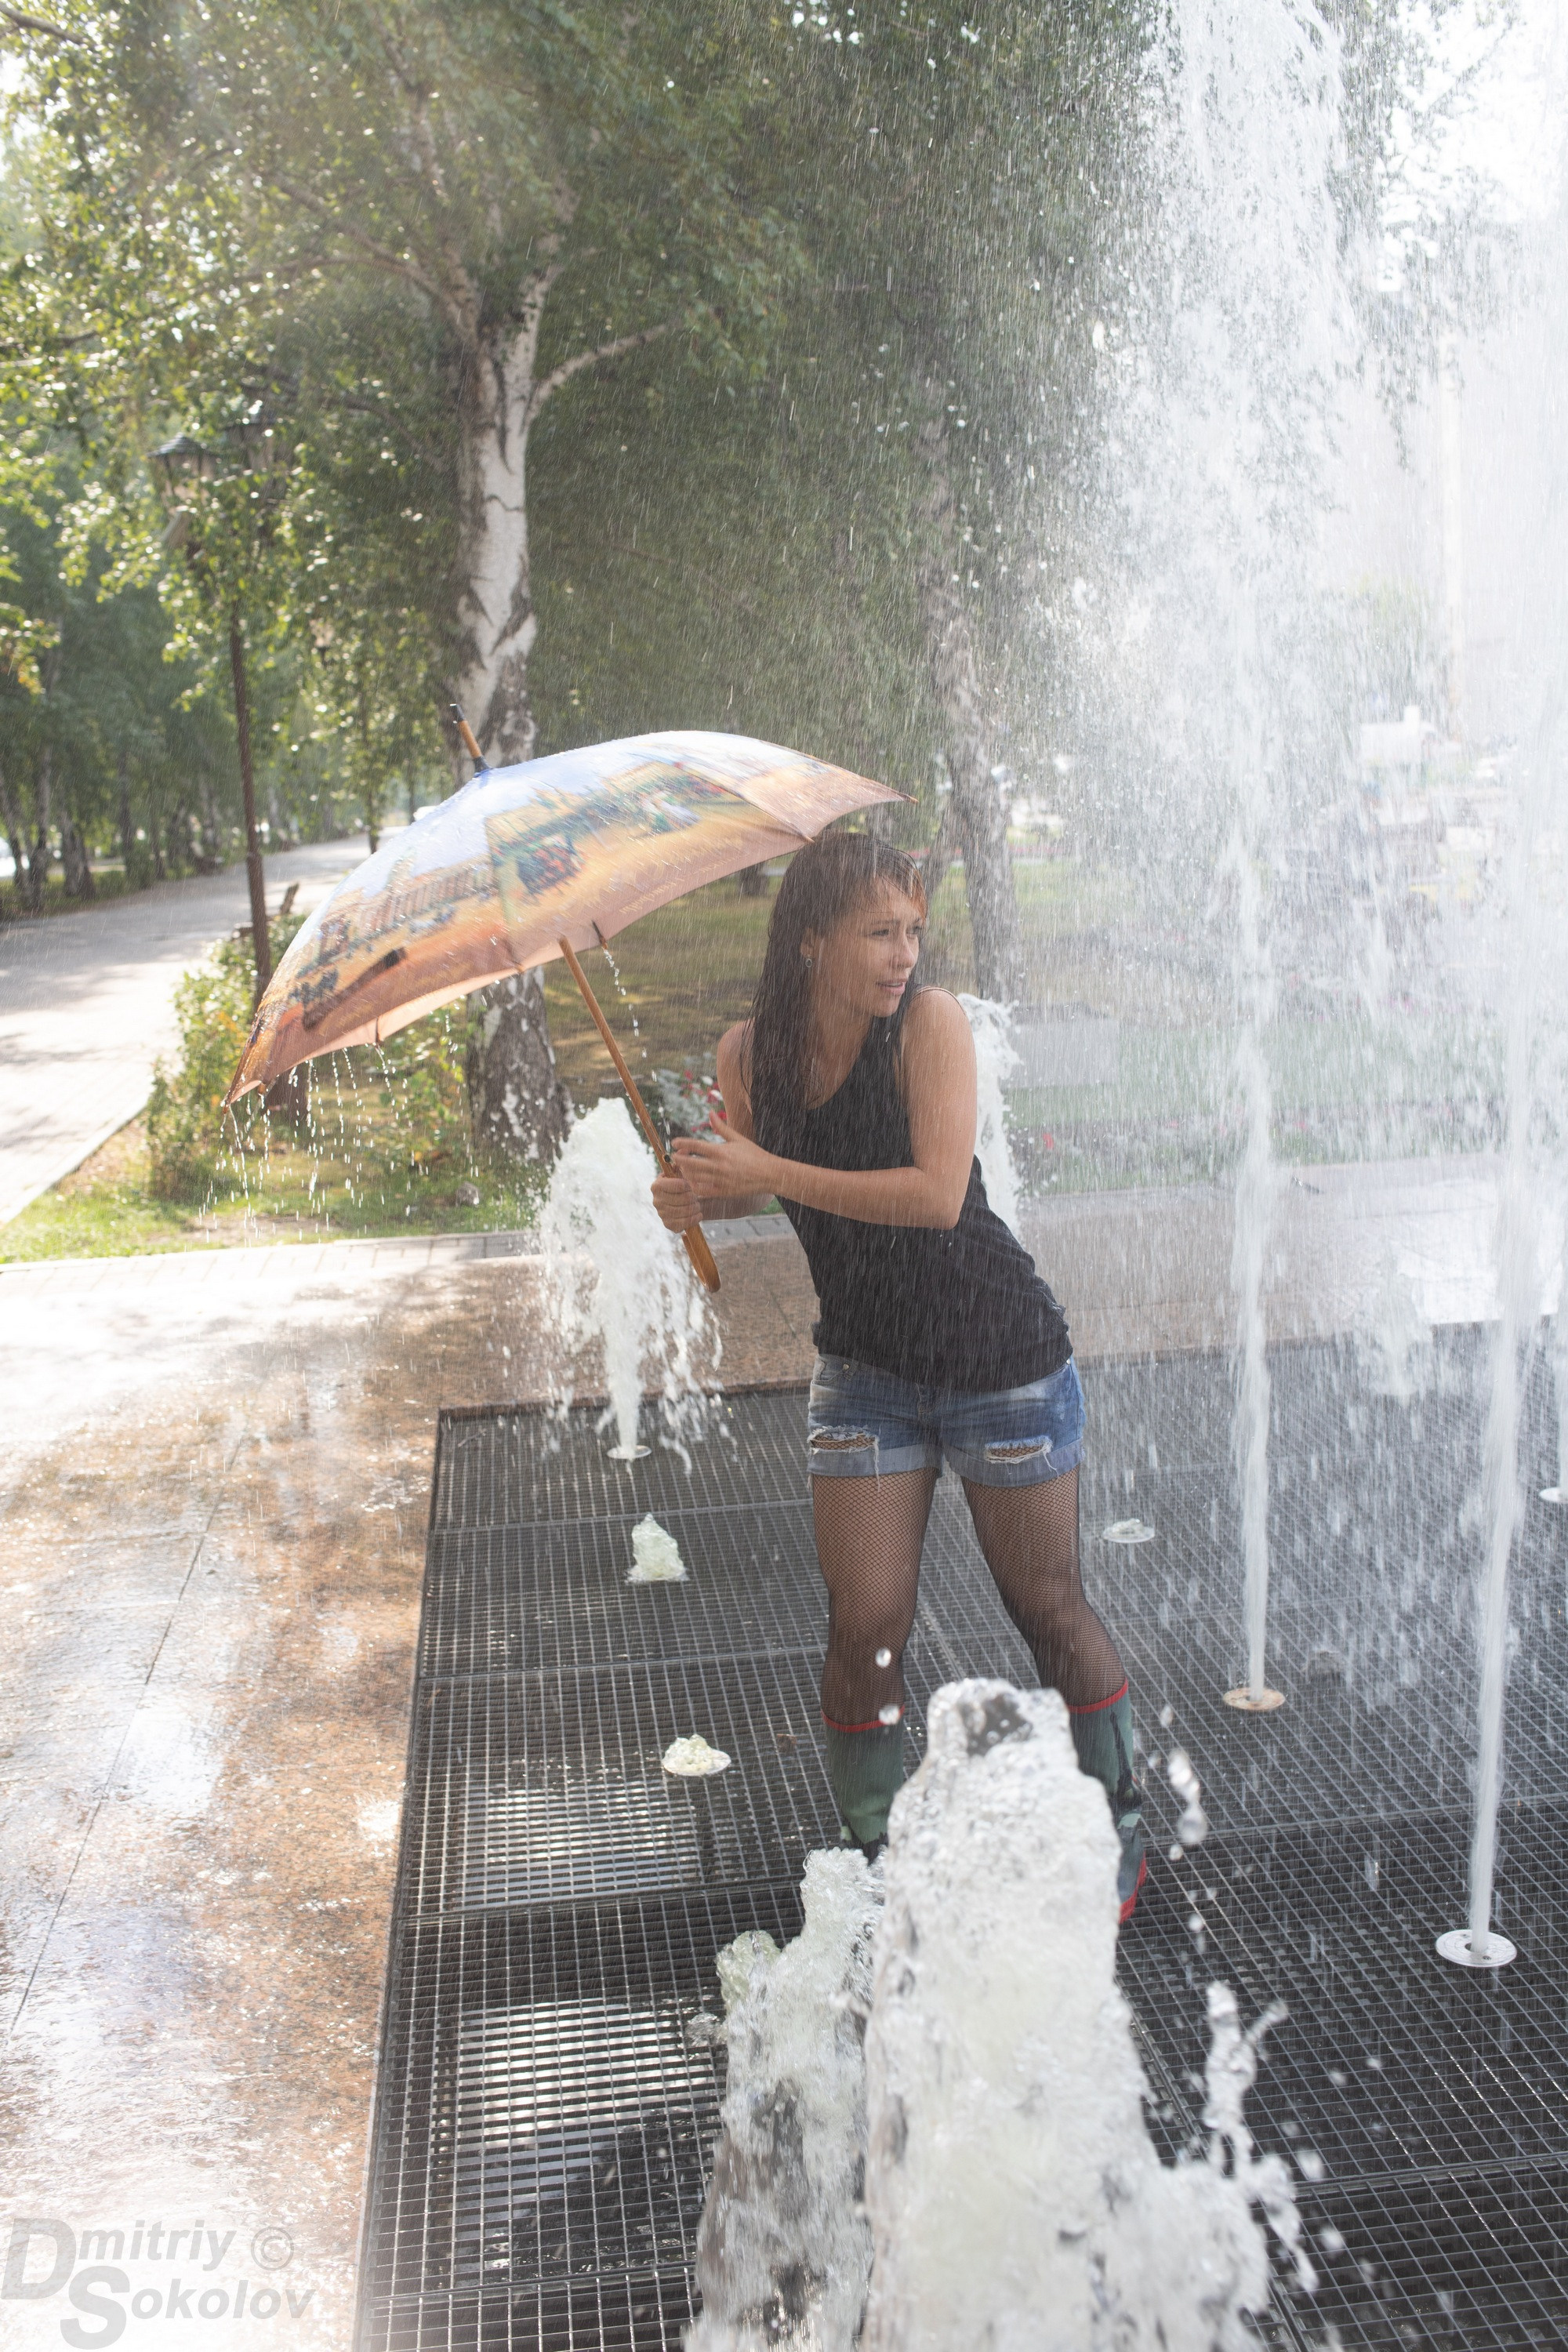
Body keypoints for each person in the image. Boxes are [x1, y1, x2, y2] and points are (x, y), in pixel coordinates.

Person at [652, 831, 1146, 1920]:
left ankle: (1118, 1818)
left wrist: (768, 1169)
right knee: (863, 1621)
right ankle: (875, 1844)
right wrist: (701, 1193)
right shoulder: (752, 1055)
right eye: (880, 931)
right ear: (812, 941)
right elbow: (755, 1188)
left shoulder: (932, 1025)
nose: (903, 954)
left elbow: (932, 1194)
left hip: (1000, 1363)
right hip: (868, 1371)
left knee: (1048, 1608)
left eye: (913, 931)